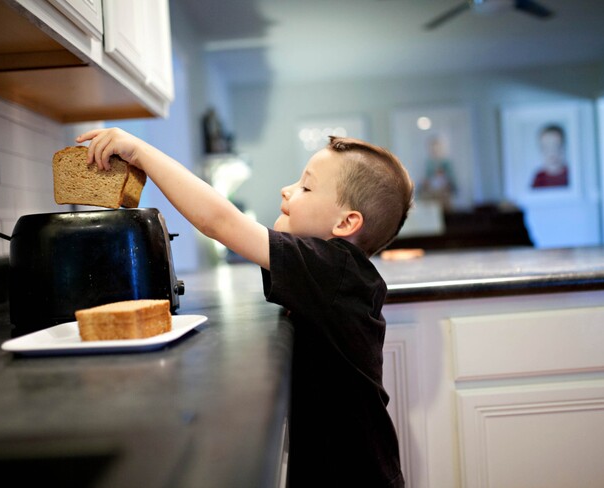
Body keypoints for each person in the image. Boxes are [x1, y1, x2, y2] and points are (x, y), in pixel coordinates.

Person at [76, 127, 414, 487]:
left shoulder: (336, 271)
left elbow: (220, 222)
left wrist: (140, 152)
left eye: (306, 187)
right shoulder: (332, 274)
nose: (287, 190)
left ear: (346, 223)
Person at [531, 124, 569, 188]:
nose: (552, 153)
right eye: (546, 148)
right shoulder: (539, 177)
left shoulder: (571, 174)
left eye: (557, 147)